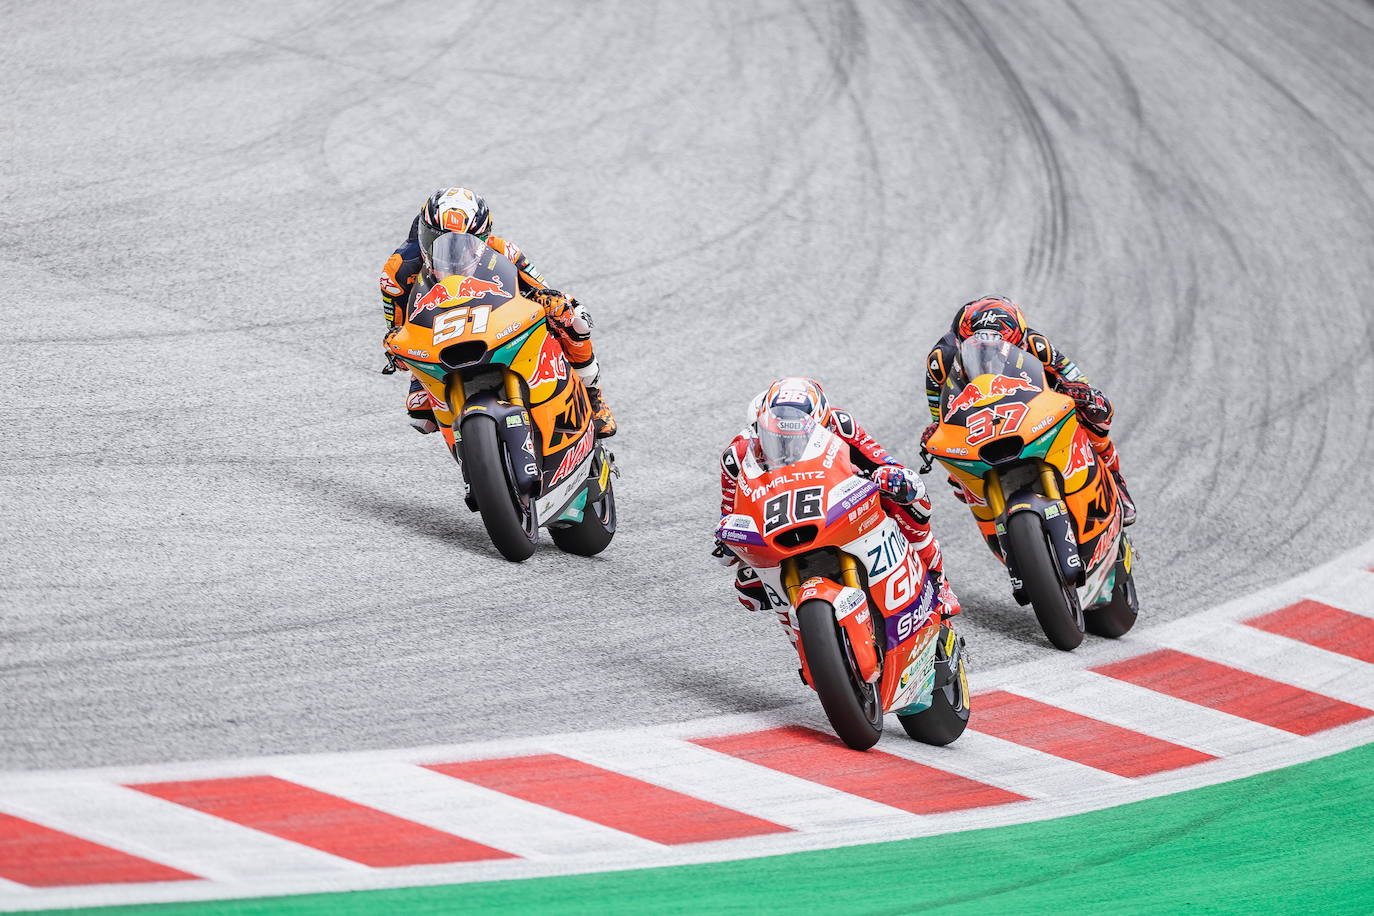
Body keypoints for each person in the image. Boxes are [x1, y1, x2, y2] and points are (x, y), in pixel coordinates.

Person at [715, 377, 959, 634]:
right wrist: (726, 540)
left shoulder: (841, 424)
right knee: (748, 586)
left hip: (837, 502)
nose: (788, 446)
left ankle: (938, 580)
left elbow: (883, 463)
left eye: (798, 437)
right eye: (777, 438)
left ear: (823, 422)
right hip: (779, 520)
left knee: (912, 497)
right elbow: (730, 510)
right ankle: (801, 634)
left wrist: (890, 477)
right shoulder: (736, 456)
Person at [379, 187, 616, 437]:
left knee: (572, 317)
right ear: (421, 232)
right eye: (436, 239)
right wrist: (396, 347)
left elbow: (544, 292)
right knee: (420, 413)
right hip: (438, 339)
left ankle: (593, 397)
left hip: (498, 323)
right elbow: (400, 329)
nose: (451, 252)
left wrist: (552, 304)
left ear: (483, 238)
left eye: (463, 242)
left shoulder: (504, 251)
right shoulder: (397, 271)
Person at [922, 296, 1135, 524]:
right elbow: (939, 412)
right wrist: (937, 429)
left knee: (1095, 414)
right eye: (980, 349)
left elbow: (1075, 378)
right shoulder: (940, 360)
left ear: (1020, 342)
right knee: (956, 476)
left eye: (1002, 348)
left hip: (1032, 398)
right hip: (976, 411)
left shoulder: (1037, 344)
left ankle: (1115, 480)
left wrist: (1082, 395)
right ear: (960, 344)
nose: (990, 356)